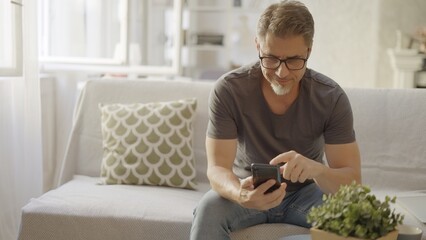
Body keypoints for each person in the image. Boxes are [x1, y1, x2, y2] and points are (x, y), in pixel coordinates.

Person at [190, 1, 361, 239]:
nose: (282, 73)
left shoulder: (331, 97)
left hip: (307, 193)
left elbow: (352, 181)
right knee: (208, 210)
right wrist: (240, 193)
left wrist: (318, 170)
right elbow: (217, 169)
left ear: (309, 51)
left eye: (293, 60)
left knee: (357, 217)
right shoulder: (229, 90)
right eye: (270, 59)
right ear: (257, 45)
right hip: (246, 187)